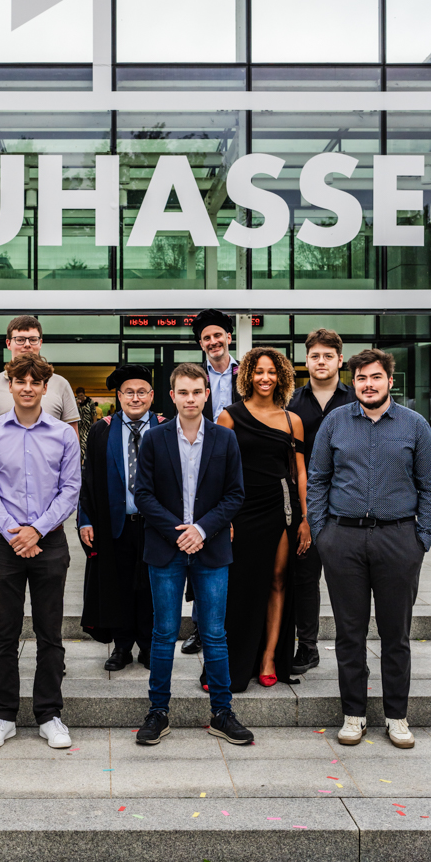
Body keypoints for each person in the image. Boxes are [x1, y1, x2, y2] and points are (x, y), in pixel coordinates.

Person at [307, 348, 431, 750]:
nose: (369, 384)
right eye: (362, 378)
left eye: (376, 377)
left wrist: (421, 539)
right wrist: (322, 534)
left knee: (395, 634)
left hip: (398, 540)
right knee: (349, 633)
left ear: (390, 381)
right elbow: (317, 479)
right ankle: (354, 714)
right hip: (343, 540)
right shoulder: (335, 422)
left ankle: (397, 717)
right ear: (354, 382)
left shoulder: (415, 425)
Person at [133, 362, 253, 747]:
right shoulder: (154, 438)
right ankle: (158, 712)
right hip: (166, 548)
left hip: (211, 546)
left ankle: (222, 712)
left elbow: (235, 494)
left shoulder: (225, 439)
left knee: (215, 633)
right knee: (164, 632)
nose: (190, 399)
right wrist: (179, 532)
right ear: (172, 396)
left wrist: (200, 530)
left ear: (207, 394)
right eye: (183, 392)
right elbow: (143, 494)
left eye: (196, 392)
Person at [0, 353, 81, 750]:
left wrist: (36, 530)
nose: (28, 388)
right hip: (5, 543)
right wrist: (14, 532)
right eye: (21, 381)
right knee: (4, 632)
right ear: (10, 385)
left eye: (36, 382)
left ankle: (49, 714)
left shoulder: (63, 434)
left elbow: (70, 488)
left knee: (49, 632)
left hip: (48, 541)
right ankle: (3, 715)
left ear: (45, 388)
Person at [217, 347, 310, 692]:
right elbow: (219, 471)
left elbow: (300, 473)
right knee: (240, 585)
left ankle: (269, 657)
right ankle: (233, 661)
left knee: (278, 580)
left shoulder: (292, 420)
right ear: (248, 376)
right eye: (259, 371)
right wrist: (222, 517)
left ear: (281, 376)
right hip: (241, 509)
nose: (265, 378)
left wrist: (306, 518)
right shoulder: (229, 417)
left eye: (272, 372)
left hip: (281, 508)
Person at [79, 364, 164, 671]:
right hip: (115, 524)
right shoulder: (102, 430)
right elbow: (88, 478)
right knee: (119, 586)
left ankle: (150, 646)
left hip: (156, 526)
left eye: (141, 392)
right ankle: (122, 647)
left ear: (151, 396)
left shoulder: (166, 428)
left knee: (152, 588)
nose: (135, 398)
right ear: (119, 396)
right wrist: (85, 519)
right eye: (129, 392)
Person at [288, 329, 354, 676]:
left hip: (349, 506)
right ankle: (308, 647)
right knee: (304, 579)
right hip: (306, 507)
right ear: (306, 360)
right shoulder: (291, 403)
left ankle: (351, 648)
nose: (321, 361)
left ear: (340, 360)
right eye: (315, 356)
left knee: (348, 583)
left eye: (328, 356)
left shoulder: (357, 398)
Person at [181, 308, 241, 656]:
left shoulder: (245, 374)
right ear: (201, 344)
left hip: (238, 466)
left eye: (218, 335)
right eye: (206, 338)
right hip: (200, 470)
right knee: (199, 547)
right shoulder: (193, 377)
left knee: (232, 554)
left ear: (228, 337)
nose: (213, 341)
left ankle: (231, 625)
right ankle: (201, 628)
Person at [0, 316, 80, 434]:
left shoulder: (61, 384)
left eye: (33, 339)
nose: (27, 344)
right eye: (20, 339)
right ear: (8, 343)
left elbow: (72, 436)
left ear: (40, 343)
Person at [76, 386, 97, 463]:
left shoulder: (90, 401)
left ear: (84, 394)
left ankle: (83, 461)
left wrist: (94, 426)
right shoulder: (75, 401)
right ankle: (82, 461)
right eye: (78, 396)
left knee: (85, 443)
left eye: (81, 395)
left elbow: (94, 414)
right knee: (79, 444)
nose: (80, 397)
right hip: (79, 427)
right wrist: (76, 405)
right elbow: (72, 413)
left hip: (88, 426)